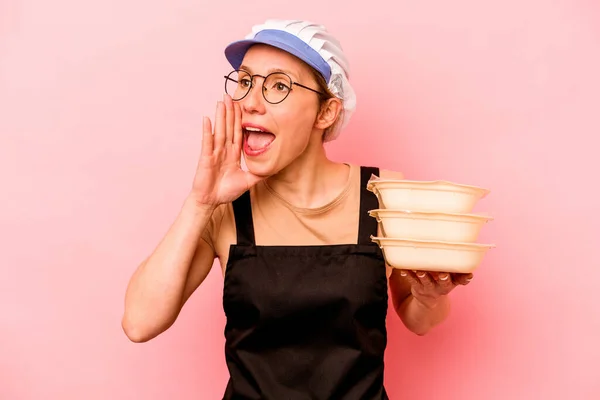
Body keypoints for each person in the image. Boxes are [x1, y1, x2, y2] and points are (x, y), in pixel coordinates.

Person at [122, 19, 474, 399]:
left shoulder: (381, 195)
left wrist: (428, 296)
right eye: (244, 82)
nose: (251, 102)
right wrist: (200, 202)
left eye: (278, 86)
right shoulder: (224, 208)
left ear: (326, 113)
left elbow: (418, 320)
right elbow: (139, 324)